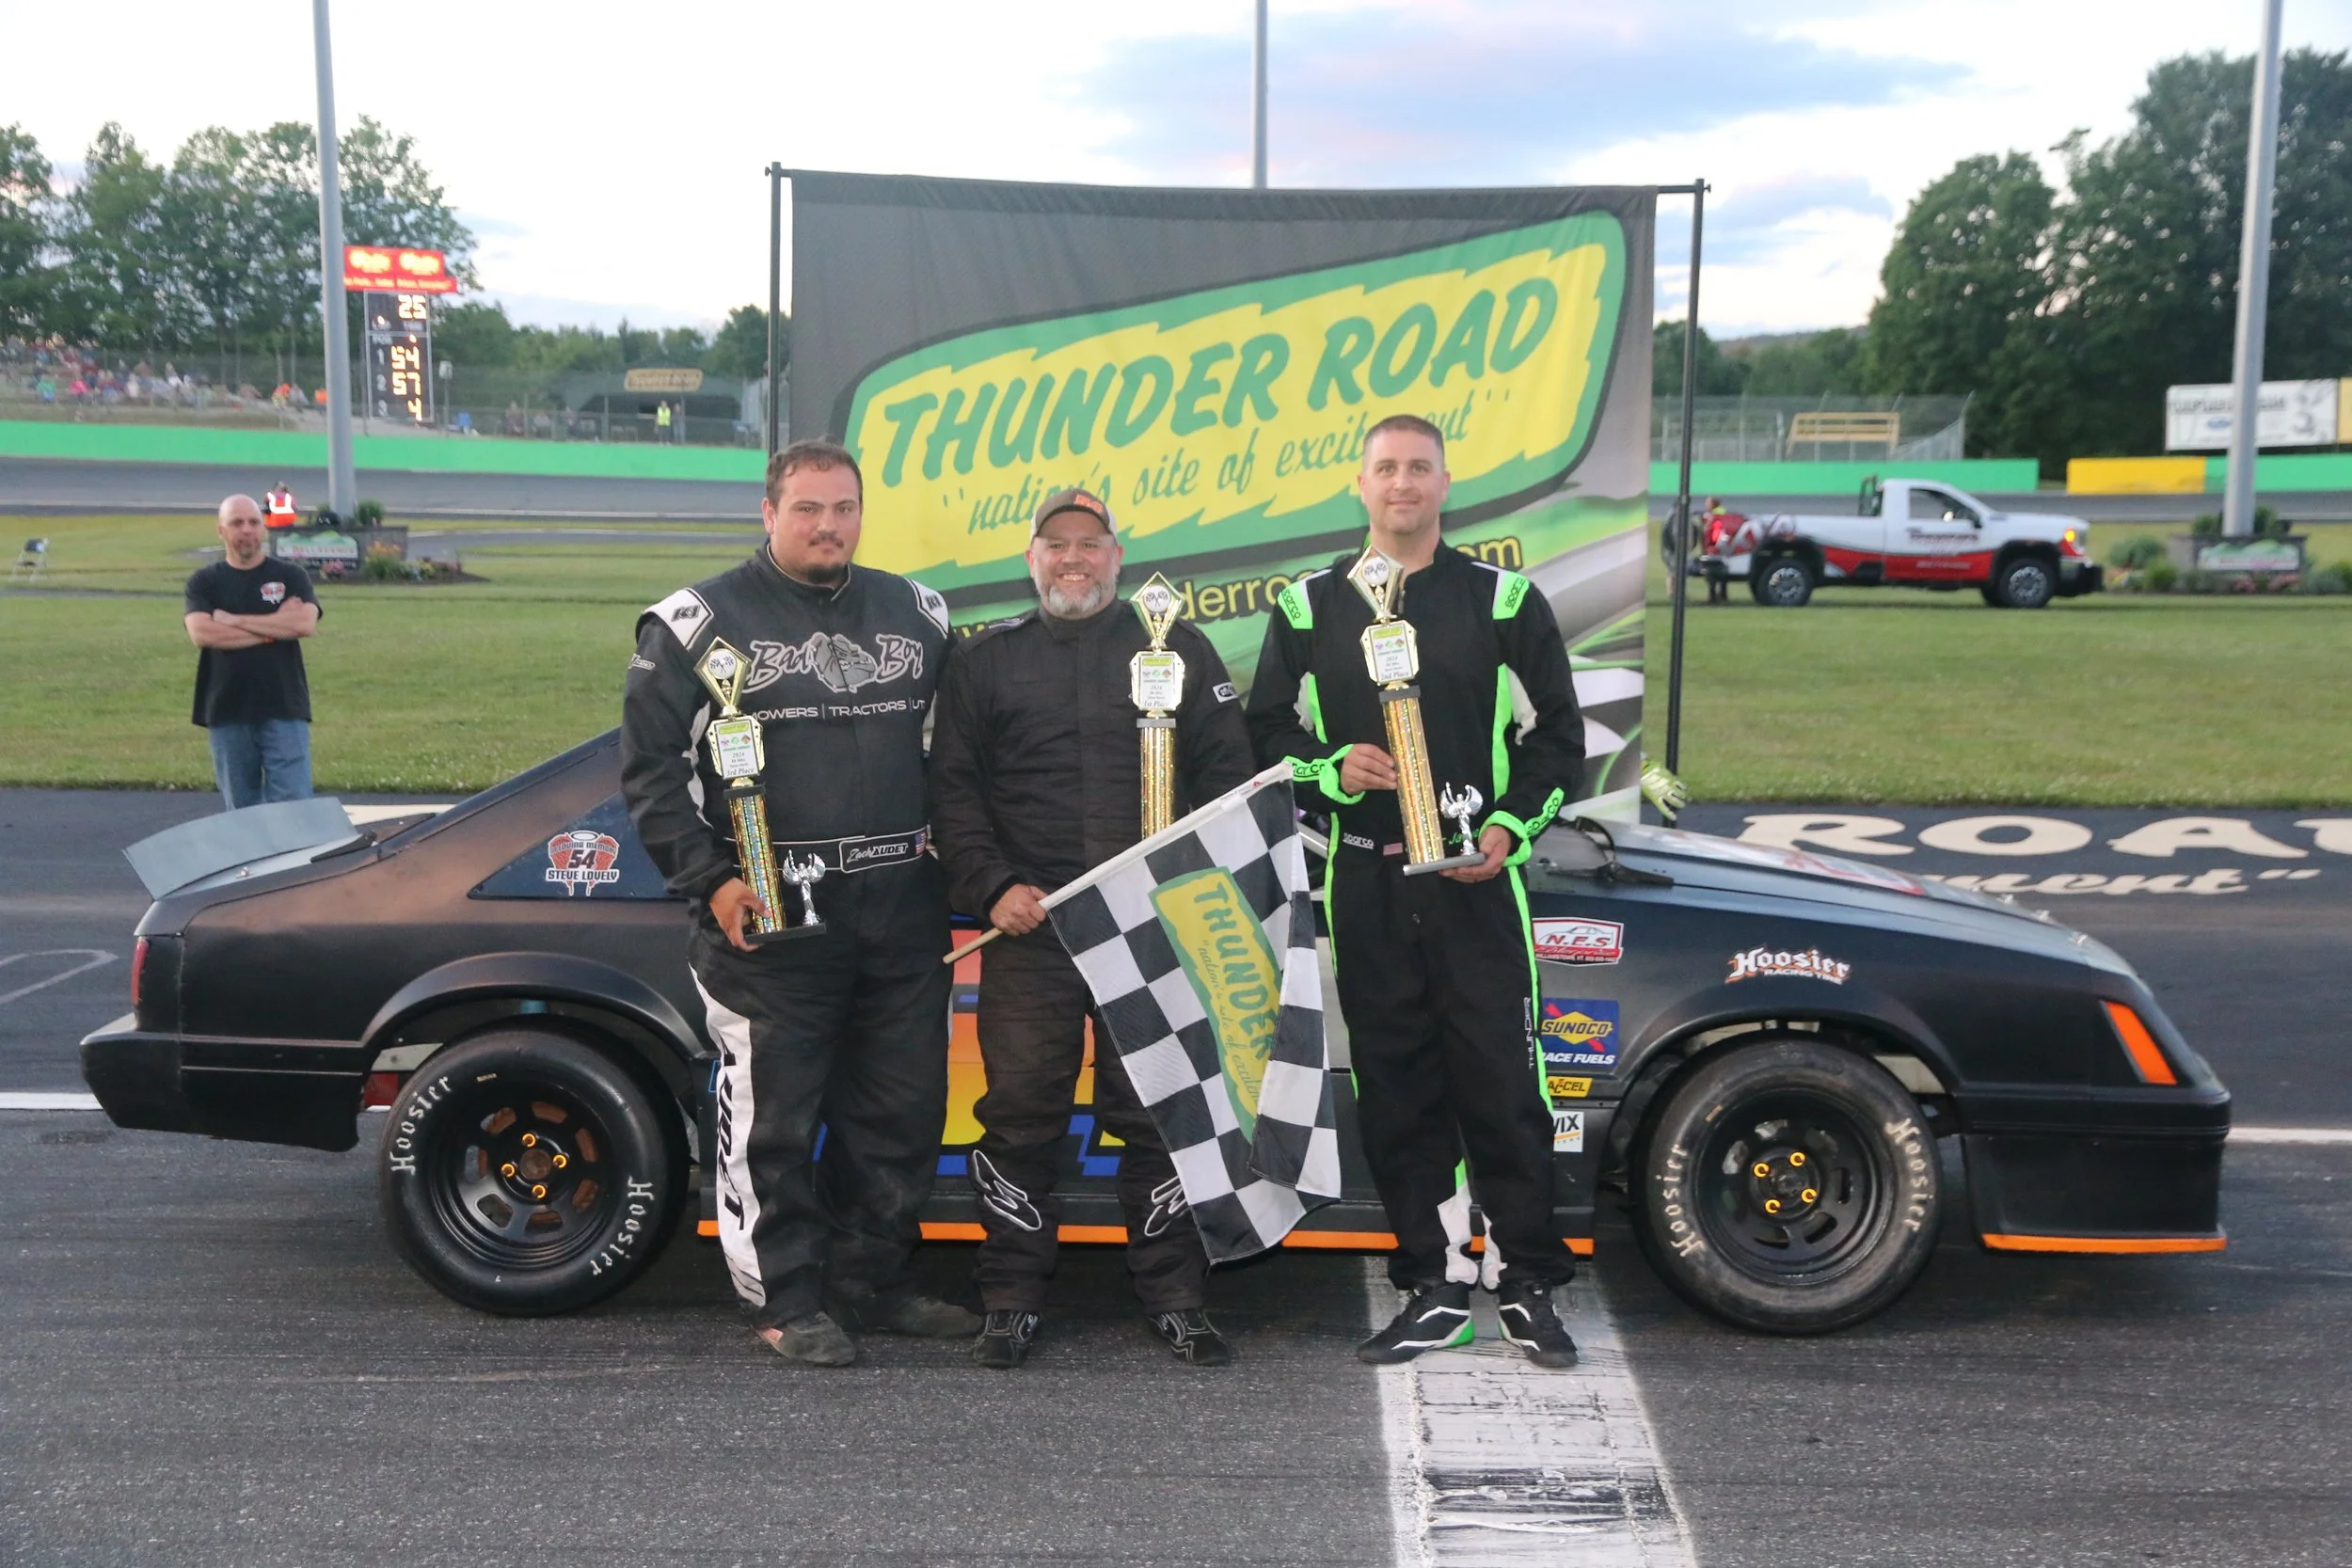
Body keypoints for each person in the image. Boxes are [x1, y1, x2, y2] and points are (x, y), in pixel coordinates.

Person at [619, 437, 977, 1367]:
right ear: (769, 512)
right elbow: (650, 775)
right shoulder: (693, 622)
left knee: (900, 1111)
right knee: (774, 1120)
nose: (829, 525)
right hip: (769, 911)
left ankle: (870, 1280)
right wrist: (711, 878)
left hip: (900, 906)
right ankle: (784, 1297)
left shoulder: (918, 612)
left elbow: (961, 752)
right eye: (809, 508)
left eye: (844, 507)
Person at [1246, 414, 1585, 1370]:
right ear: (1360, 484)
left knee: (1503, 1084)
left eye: (1419, 468)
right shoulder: (1308, 605)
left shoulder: (1503, 597)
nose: (1402, 483)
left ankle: (1525, 1281)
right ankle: (1433, 1284)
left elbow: (1559, 736)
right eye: (1386, 468)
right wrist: (1328, 768)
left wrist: (1509, 827)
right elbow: (1261, 734)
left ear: (1444, 483)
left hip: (1478, 882)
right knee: (1396, 1088)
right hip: (1366, 879)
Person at [930, 487, 1258, 1370]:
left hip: (1151, 931)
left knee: (1156, 1110)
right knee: (1019, 1114)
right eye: (1057, 544)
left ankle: (1177, 1297)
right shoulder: (984, 662)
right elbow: (952, 794)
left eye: (1090, 543)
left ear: (1116, 556)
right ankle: (1009, 1300)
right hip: (1029, 932)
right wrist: (993, 888)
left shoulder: (1179, 648)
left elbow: (1229, 780)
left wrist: (1183, 887)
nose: (1073, 558)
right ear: (1031, 559)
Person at [183, 495, 322, 810]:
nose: (246, 530)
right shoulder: (205, 582)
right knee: (242, 813)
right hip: (227, 709)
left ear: (263, 528)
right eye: (236, 523)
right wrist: (274, 628)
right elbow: (203, 634)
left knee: (295, 807)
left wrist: (235, 621)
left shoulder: (291, 577)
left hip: (284, 706)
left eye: (253, 522)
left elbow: (303, 624)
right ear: (221, 531)